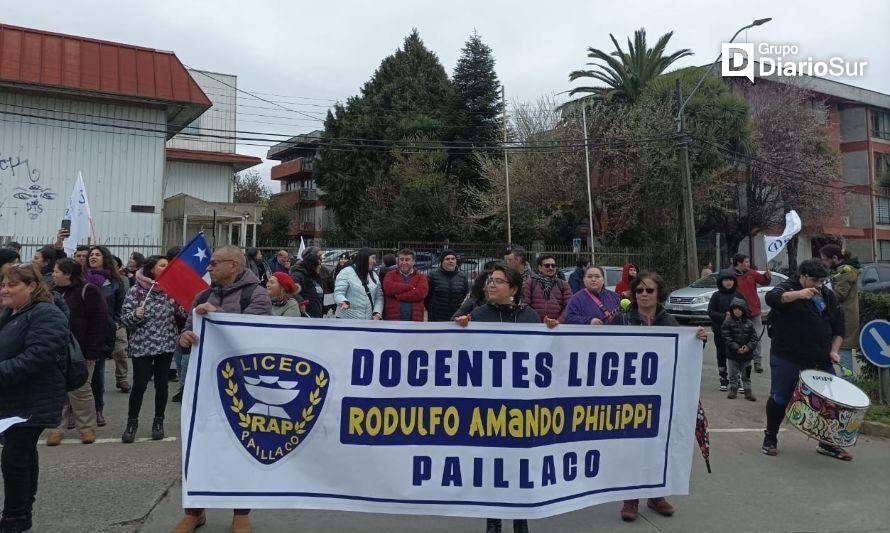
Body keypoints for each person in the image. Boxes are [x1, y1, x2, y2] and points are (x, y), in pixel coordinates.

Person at [174, 245, 271, 533]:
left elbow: (255, 335)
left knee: (241, 447)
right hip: (204, 384)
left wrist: (217, 314)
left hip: (243, 386)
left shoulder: (256, 295)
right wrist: (185, 336)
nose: (209, 267)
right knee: (198, 446)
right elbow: (187, 333)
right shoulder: (202, 296)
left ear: (235, 265)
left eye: (215, 263)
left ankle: (241, 512)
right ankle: (194, 511)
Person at [454, 264, 554, 533]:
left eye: (498, 281)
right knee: (492, 466)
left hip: (522, 406)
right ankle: (494, 522)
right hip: (488, 407)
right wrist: (461, 329)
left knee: (520, 465)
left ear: (514, 289)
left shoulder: (530, 316)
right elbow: (455, 349)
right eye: (489, 281)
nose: (491, 285)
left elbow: (546, 355)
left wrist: (552, 332)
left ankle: (520, 521)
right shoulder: (478, 314)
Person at [607, 271, 708, 522]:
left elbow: (685, 355)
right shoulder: (621, 320)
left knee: (659, 444)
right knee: (632, 447)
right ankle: (630, 499)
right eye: (639, 290)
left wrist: (698, 341)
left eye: (649, 290)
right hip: (629, 396)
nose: (643, 294)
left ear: (658, 294)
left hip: (661, 397)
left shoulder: (669, 321)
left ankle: (656, 495)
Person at [0, 263, 68, 533]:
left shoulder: (45, 314)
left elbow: (38, 356)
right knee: (21, 455)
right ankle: (19, 514)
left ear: (31, 286)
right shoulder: (11, 313)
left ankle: (16, 517)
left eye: (11, 285)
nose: (5, 289)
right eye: (3, 284)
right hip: (12, 397)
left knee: (15, 459)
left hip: (32, 398)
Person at [761, 259, 849, 460]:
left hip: (820, 357)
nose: (818, 284)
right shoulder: (788, 287)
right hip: (787, 354)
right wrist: (799, 295)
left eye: (822, 280)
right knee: (780, 396)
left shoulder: (828, 296)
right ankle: (771, 437)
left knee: (831, 400)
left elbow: (839, 328)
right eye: (814, 280)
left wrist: (834, 350)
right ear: (802, 276)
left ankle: (827, 443)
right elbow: (772, 298)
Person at [120, 255, 186, 443]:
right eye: (162, 265)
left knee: (161, 385)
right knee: (139, 385)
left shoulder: (171, 290)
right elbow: (124, 319)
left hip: (165, 344)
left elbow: (180, 315)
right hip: (143, 346)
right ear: (152, 269)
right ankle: (132, 423)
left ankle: (159, 422)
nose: (167, 268)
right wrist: (135, 314)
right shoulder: (136, 291)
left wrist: (184, 308)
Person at [45, 258, 108, 446]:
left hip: (80, 352)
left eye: (56, 271)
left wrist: (91, 353)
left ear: (67, 274)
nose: (53, 274)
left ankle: (87, 429)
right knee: (57, 392)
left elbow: (99, 323)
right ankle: (57, 429)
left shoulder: (88, 291)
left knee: (80, 391)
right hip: (55, 351)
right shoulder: (50, 292)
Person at [86, 245, 128, 421]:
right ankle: (73, 411)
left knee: (98, 373)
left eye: (97, 254)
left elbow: (120, 305)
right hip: (82, 330)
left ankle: (98, 409)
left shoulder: (115, 281)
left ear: (105, 258)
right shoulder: (80, 278)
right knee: (77, 373)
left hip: (103, 331)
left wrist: (116, 322)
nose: (93, 257)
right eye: (91, 254)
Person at [819, 244, 860, 377]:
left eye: (825, 259)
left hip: (845, 319)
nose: (823, 263)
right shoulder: (839, 270)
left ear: (835, 258)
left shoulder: (845, 272)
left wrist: (821, 291)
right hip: (840, 317)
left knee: (844, 354)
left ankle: (847, 391)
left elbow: (838, 295)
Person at [707, 269, 747, 392]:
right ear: (721, 281)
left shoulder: (739, 295)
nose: (728, 283)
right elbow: (711, 312)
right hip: (720, 331)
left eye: (730, 280)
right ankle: (723, 378)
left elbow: (747, 311)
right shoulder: (716, 295)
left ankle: (737, 379)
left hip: (737, 333)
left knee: (736, 355)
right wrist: (724, 316)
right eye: (725, 280)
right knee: (721, 354)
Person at [731, 253, 771, 373]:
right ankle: (739, 362)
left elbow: (763, 281)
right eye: (746, 262)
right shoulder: (730, 275)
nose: (748, 264)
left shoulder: (752, 273)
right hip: (738, 311)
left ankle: (758, 362)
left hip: (754, 311)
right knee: (738, 337)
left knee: (756, 337)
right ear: (739, 263)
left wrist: (767, 276)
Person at [722, 298, 758, 401]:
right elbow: (727, 338)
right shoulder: (727, 323)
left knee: (746, 374)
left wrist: (748, 347)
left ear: (743, 310)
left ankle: (748, 392)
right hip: (733, 355)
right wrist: (736, 348)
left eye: (739, 309)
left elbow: (754, 338)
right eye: (735, 309)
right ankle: (733, 390)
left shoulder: (749, 323)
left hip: (747, 355)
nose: (737, 311)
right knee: (733, 374)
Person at [334, 248, 383, 321]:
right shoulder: (346, 272)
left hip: (368, 321)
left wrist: (376, 312)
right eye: (373, 258)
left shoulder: (374, 276)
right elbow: (338, 292)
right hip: (347, 320)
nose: (374, 261)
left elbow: (379, 297)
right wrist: (343, 301)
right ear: (364, 258)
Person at [522, 254, 572, 322]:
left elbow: (569, 306)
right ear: (540, 268)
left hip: (557, 327)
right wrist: (535, 321)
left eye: (553, 265)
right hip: (535, 326)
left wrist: (558, 321)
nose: (550, 268)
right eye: (547, 265)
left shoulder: (564, 285)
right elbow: (525, 306)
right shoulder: (530, 283)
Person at [382, 248, 429, 321]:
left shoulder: (421, 277)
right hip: (393, 321)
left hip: (415, 321)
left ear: (413, 262)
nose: (404, 262)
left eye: (407, 260)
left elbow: (420, 293)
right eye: (401, 259)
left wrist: (398, 296)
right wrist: (411, 288)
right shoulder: (390, 275)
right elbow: (388, 288)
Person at [425, 249, 469, 322]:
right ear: (442, 262)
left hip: (457, 318)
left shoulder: (463, 277)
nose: (450, 261)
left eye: (453, 259)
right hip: (436, 318)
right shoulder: (432, 276)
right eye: (447, 259)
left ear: (456, 261)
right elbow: (426, 297)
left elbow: (466, 297)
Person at [291, 253, 325, 318]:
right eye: (318, 264)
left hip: (315, 313)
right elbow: (291, 288)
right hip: (306, 314)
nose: (320, 266)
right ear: (312, 265)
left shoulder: (314, 275)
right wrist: (300, 301)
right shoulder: (298, 274)